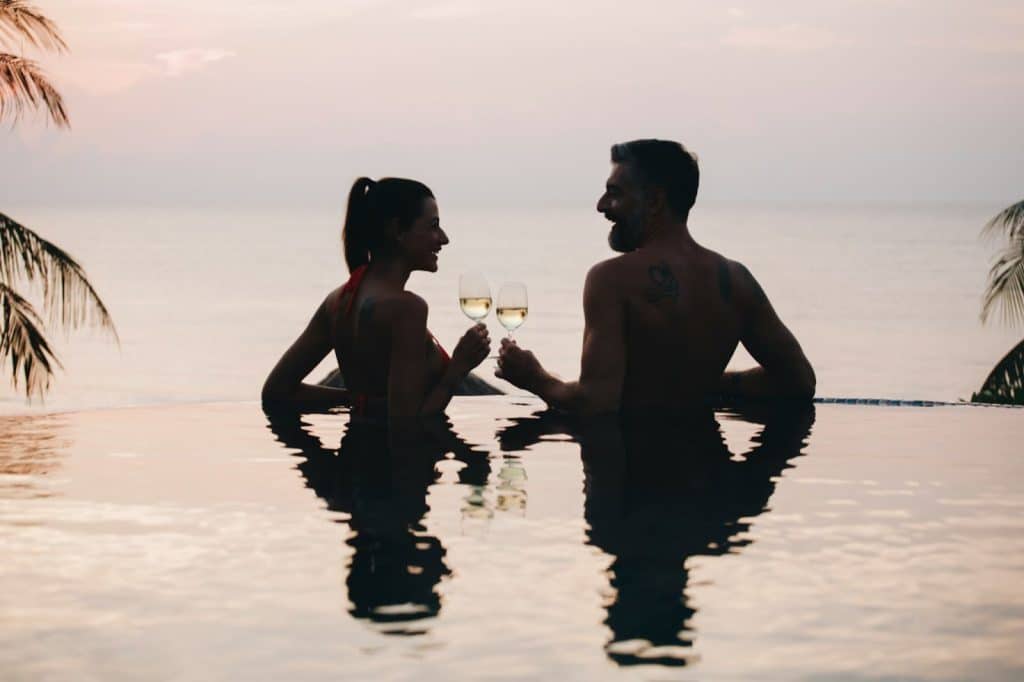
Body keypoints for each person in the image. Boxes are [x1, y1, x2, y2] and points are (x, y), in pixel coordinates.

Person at [496, 139, 815, 414]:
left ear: (654, 202)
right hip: (712, 476)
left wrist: (534, 378)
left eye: (614, 193)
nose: (601, 205)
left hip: (635, 477)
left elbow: (595, 404)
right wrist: (700, 383)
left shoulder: (611, 280)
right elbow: (797, 381)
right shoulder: (735, 280)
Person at [262, 177, 491, 416]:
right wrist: (457, 370)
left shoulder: (338, 302)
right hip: (399, 454)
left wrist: (359, 402)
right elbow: (407, 424)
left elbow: (276, 393)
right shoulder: (407, 309)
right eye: (433, 226)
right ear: (398, 231)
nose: (444, 238)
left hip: (355, 451)